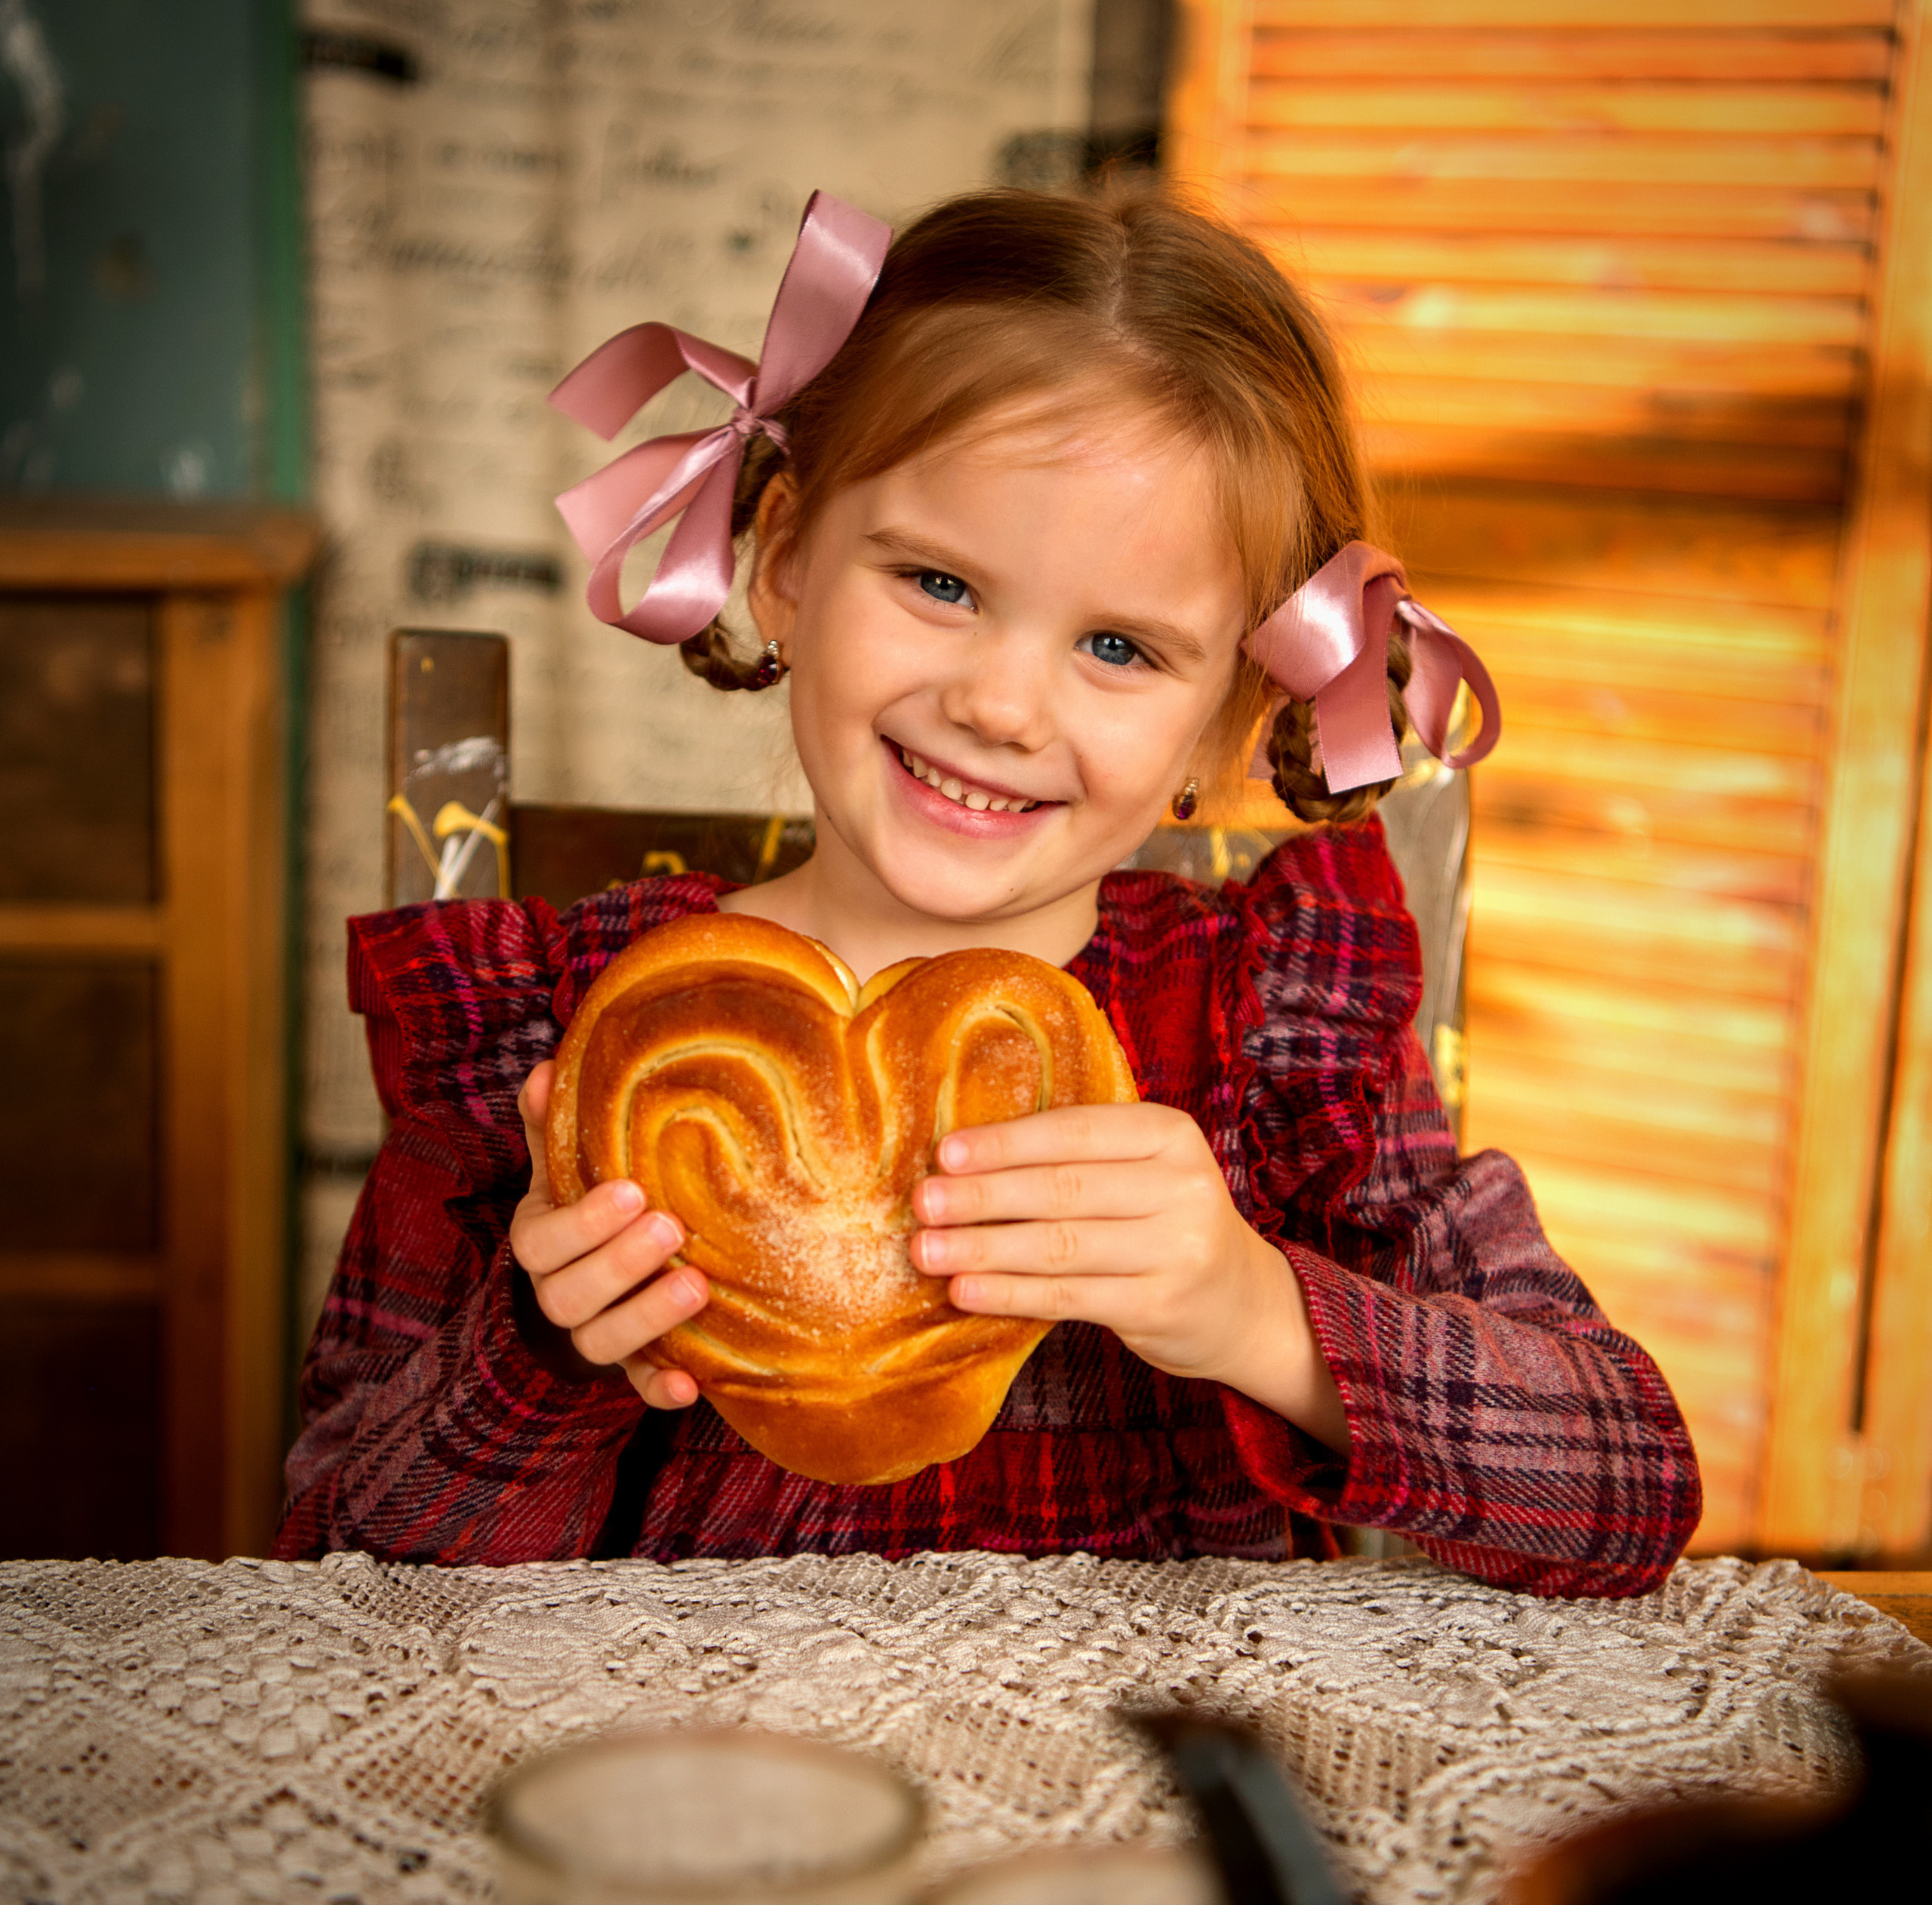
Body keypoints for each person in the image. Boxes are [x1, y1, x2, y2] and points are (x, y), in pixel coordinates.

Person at [281, 183, 1700, 1590]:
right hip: (715, 1786)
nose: (1004, 706)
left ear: (1225, 718)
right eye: (942, 586)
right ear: (784, 568)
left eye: (1122, 650)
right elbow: (326, 1558)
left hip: (1141, 1792)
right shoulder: (557, 1039)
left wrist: (1254, 1310)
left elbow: (1629, 1483)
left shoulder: (1273, 1036)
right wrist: (540, 1347)